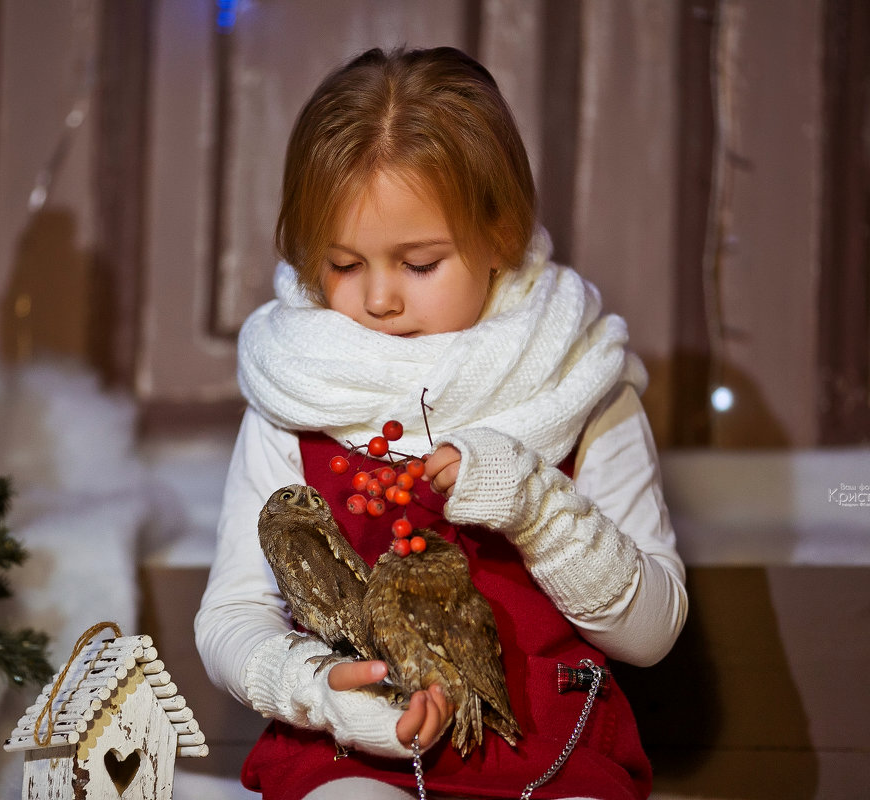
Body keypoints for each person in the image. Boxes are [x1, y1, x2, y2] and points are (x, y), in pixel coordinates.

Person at [194, 46, 687, 800]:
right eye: (344, 264)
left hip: (548, 754)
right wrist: (321, 688)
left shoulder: (579, 382)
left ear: (500, 235)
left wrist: (534, 504)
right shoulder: (300, 389)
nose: (380, 300)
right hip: (353, 753)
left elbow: (651, 633)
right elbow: (233, 613)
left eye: (419, 264)